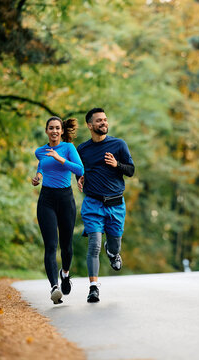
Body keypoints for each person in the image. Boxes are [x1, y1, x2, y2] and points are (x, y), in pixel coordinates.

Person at [77, 108, 135, 303]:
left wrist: (116, 165)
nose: (103, 123)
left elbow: (131, 170)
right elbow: (79, 169)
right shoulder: (82, 150)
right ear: (90, 125)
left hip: (116, 204)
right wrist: (79, 178)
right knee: (93, 246)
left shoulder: (119, 145)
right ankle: (93, 288)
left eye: (105, 120)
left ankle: (113, 253)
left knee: (114, 244)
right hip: (93, 204)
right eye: (99, 120)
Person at [32, 116, 84, 304]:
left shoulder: (69, 148)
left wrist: (60, 159)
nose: (54, 131)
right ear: (46, 131)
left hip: (65, 199)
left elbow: (80, 169)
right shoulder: (40, 151)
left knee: (66, 246)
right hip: (46, 199)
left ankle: (65, 274)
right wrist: (38, 176)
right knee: (51, 246)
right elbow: (42, 166)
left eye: (57, 128)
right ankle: (54, 287)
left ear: (62, 131)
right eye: (51, 128)